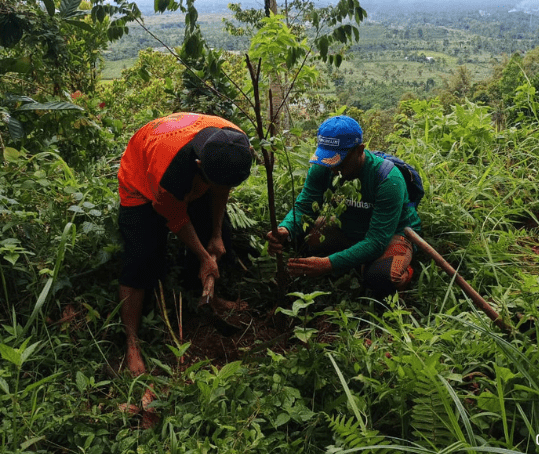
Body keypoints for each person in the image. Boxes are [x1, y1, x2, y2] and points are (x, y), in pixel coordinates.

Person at [117, 112, 252, 375]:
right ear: (200, 164)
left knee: (220, 233)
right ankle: (131, 342)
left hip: (191, 171)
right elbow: (176, 218)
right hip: (142, 181)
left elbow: (221, 189)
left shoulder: (234, 145)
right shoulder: (168, 168)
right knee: (141, 259)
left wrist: (214, 235)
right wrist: (204, 256)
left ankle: (207, 297)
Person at [266, 115, 421, 299]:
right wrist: (286, 228)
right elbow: (305, 206)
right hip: (348, 228)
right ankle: (356, 258)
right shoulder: (323, 168)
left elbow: (377, 240)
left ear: (359, 150)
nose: (333, 169)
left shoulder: (388, 179)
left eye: (339, 161)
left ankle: (404, 269)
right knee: (300, 238)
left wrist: (327, 264)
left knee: (381, 278)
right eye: (328, 160)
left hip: (391, 234)